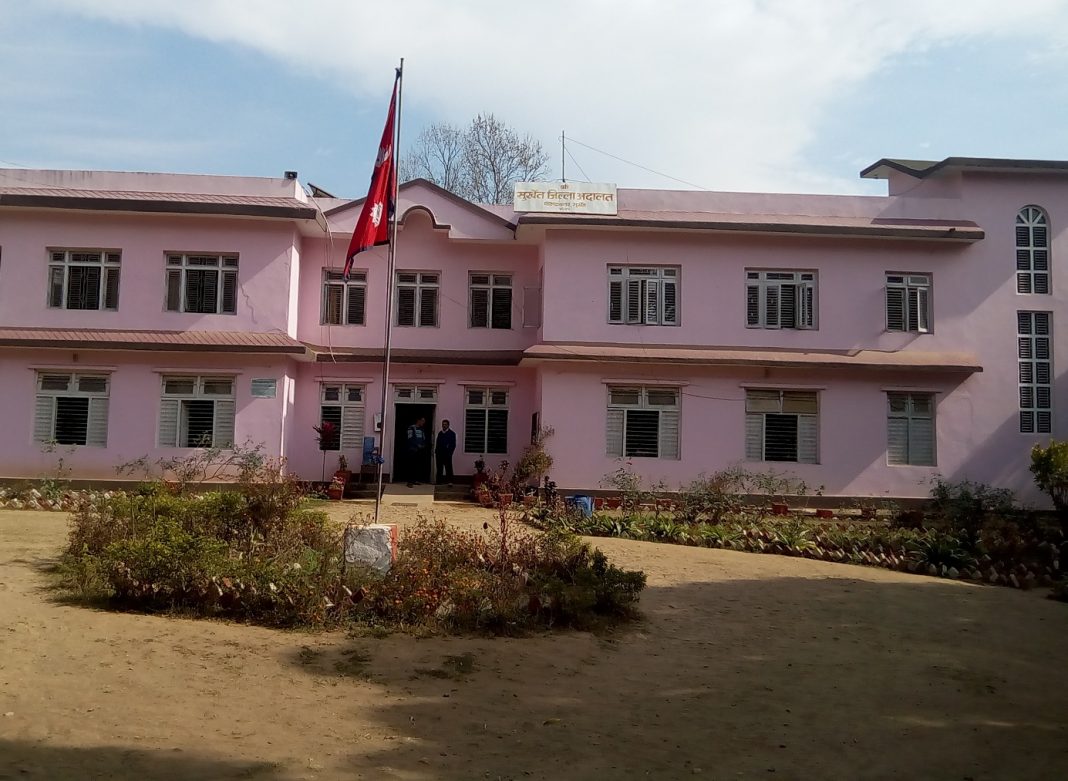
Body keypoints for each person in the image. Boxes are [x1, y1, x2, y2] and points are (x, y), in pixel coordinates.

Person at [406, 416, 426, 486]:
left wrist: (423, 445)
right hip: (412, 449)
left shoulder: (422, 429)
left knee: (417, 465)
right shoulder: (411, 428)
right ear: (418, 420)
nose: (423, 423)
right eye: (422, 421)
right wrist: (417, 445)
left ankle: (415, 480)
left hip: (419, 450)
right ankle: (409, 482)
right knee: (411, 465)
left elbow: (423, 438)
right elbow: (410, 438)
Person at [435, 419, 456, 486]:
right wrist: (436, 452)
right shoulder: (440, 433)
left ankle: (450, 481)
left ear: (448, 425)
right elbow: (437, 443)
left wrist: (450, 453)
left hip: (447, 454)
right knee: (439, 468)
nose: (444, 426)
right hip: (439, 454)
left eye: (445, 424)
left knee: (448, 468)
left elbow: (453, 445)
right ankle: (439, 481)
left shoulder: (452, 434)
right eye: (443, 424)